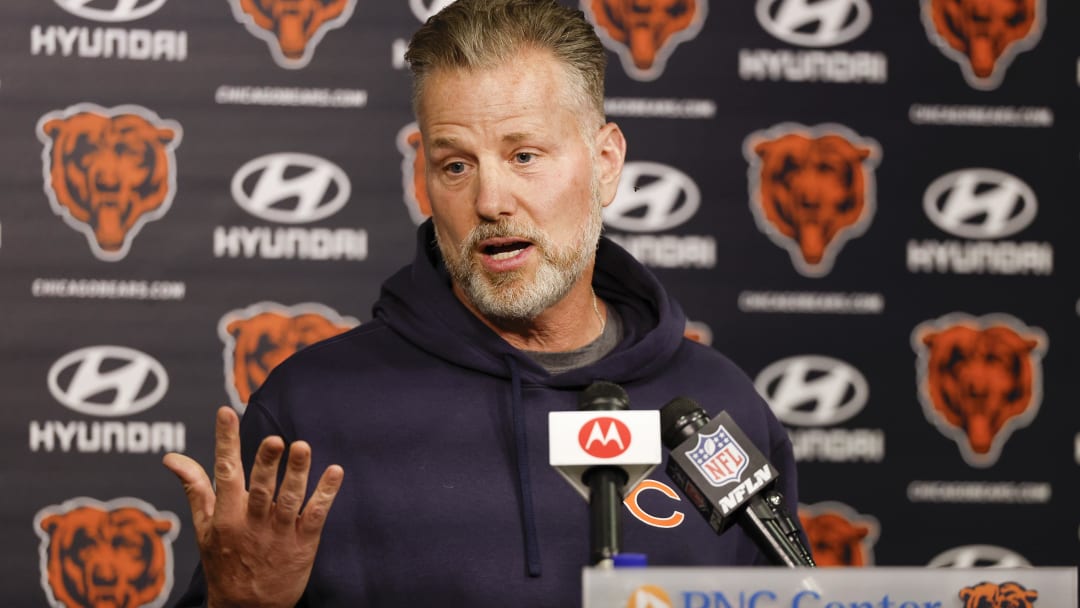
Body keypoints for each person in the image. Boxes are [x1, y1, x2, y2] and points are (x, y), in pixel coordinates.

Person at [164, 1, 802, 605]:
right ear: (424, 180)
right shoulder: (314, 409)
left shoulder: (721, 409)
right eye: (455, 166)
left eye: (524, 156)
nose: (491, 200)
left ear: (606, 162)